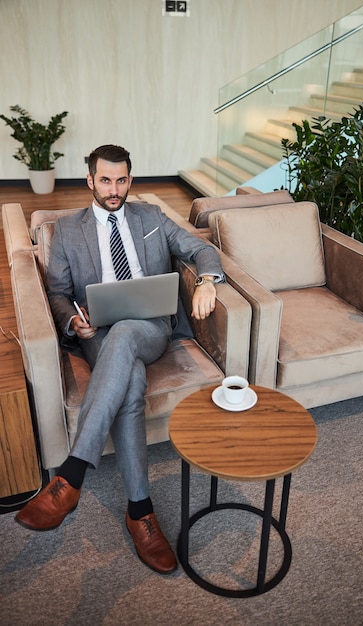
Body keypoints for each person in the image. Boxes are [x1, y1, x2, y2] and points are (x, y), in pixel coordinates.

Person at [15, 144, 224, 575]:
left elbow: (199, 249)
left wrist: (207, 281)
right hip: (98, 333)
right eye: (106, 180)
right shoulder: (69, 230)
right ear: (90, 180)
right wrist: (73, 321)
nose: (114, 189)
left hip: (149, 328)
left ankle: (69, 477)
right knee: (128, 386)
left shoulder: (150, 218)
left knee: (128, 332)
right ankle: (140, 512)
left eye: (122, 180)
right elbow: (57, 292)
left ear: (130, 180)